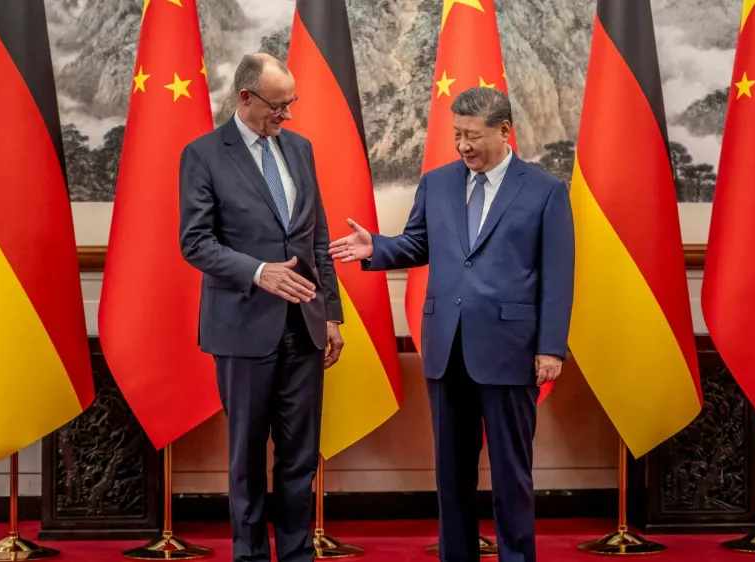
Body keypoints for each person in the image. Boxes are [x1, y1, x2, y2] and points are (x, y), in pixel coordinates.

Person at [330, 87, 574, 562]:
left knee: (511, 473)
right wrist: (375, 248)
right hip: (446, 348)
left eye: (472, 136)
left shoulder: (546, 190)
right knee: (452, 473)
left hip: (511, 350)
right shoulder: (437, 183)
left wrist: (551, 348)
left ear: (505, 132)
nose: (462, 146)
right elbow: (418, 243)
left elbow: (558, 276)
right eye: (456, 135)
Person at [178, 52, 344, 562]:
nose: (287, 115)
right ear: (245, 97)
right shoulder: (204, 153)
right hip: (244, 328)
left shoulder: (300, 149)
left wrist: (331, 313)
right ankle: (249, 555)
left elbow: (316, 237)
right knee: (248, 456)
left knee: (299, 455)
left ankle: (296, 554)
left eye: (291, 103)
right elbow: (196, 241)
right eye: (278, 105)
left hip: (305, 328)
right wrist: (258, 271)